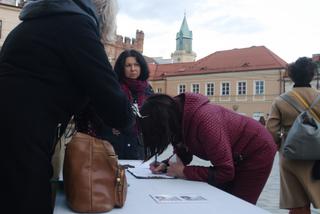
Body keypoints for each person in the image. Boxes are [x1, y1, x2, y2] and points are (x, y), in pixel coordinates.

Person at [0, 0, 133, 213]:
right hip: (23, 144)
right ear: (103, 13)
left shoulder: (31, 24)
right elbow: (116, 108)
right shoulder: (76, 25)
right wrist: (130, 116)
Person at [139, 92, 277, 205]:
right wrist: (166, 164)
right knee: (223, 201)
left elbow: (225, 172)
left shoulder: (206, 121)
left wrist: (184, 172)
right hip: (237, 153)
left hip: (258, 150)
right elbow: (184, 153)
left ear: (163, 124)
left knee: (239, 205)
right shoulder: (179, 116)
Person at [267, 57, 320, 214]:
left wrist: (278, 145)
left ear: (292, 76)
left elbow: (271, 131)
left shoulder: (280, 101)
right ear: (311, 76)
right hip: (318, 158)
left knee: (297, 205)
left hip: (292, 156)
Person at [102, 49, 153, 159]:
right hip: (115, 145)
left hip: (139, 147)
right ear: (122, 68)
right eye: (128, 65)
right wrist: (110, 127)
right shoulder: (113, 88)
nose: (133, 69)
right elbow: (101, 114)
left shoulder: (147, 90)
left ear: (141, 67)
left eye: (136, 65)